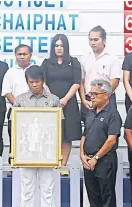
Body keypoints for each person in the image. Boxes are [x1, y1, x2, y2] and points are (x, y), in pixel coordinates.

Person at [13, 65, 62, 207]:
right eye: (31, 82)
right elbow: (15, 129)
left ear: (43, 81)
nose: (35, 85)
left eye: (38, 81)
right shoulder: (20, 101)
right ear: (27, 82)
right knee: (26, 191)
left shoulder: (54, 100)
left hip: (47, 153)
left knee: (47, 191)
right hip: (27, 153)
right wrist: (15, 152)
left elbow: (58, 128)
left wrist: (56, 153)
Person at [80, 79, 122, 207]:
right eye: (90, 94)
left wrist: (96, 157)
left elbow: (111, 140)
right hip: (88, 161)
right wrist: (82, 154)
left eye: (95, 94)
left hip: (104, 161)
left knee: (107, 197)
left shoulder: (113, 114)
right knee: (94, 198)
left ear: (106, 95)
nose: (92, 97)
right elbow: (84, 135)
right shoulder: (91, 112)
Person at [41, 34, 82, 174]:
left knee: (67, 134)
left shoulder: (74, 62)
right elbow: (43, 82)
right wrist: (52, 98)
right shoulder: (46, 63)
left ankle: (63, 166)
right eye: (56, 45)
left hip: (68, 104)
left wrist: (65, 99)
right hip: (50, 103)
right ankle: (54, 163)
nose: (59, 48)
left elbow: (77, 82)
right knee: (52, 134)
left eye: (61, 45)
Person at [79, 26, 121, 119]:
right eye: (90, 40)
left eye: (96, 39)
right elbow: (81, 81)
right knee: (88, 130)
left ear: (104, 40)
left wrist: (100, 98)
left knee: (107, 130)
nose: (92, 43)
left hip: (106, 99)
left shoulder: (112, 57)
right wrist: (83, 100)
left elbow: (115, 82)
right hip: (88, 100)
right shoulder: (85, 57)